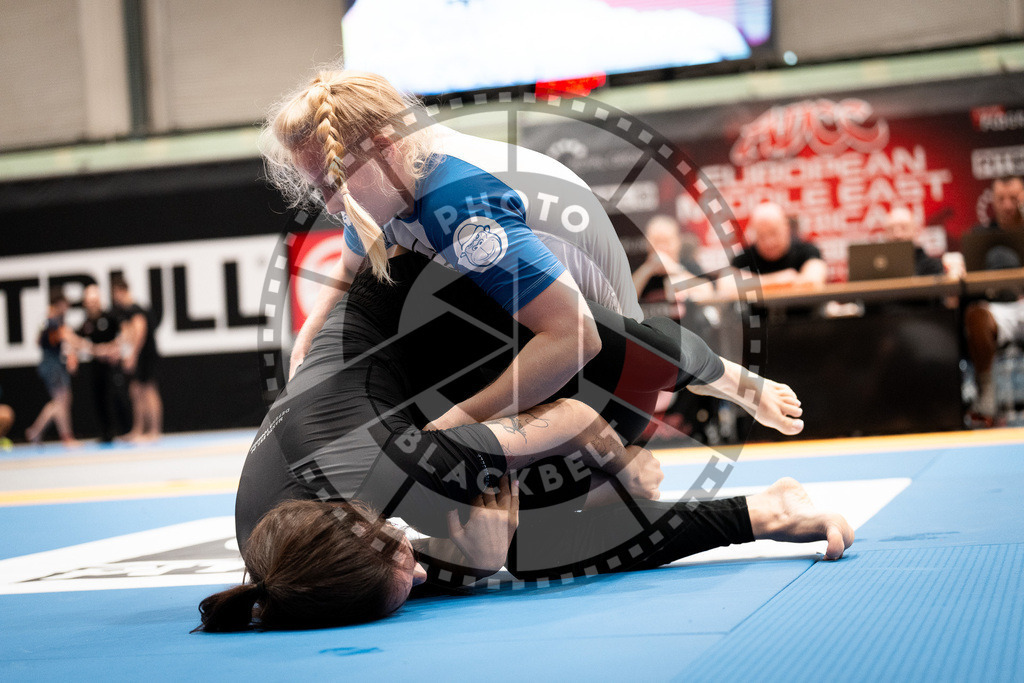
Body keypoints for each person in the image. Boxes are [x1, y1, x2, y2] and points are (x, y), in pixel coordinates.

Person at [194, 252, 834, 632]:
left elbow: (573, 420)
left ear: (368, 528)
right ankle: (764, 511)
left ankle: (727, 376)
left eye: (404, 560)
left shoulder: (397, 465)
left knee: (600, 349)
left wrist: (617, 470)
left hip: (423, 289)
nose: (418, 569)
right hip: (393, 387)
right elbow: (380, 571)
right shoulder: (284, 560)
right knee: (530, 553)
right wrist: (468, 562)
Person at [270, 70, 645, 435]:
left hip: (615, 383)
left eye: (336, 185)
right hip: (565, 343)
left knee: (429, 447)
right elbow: (345, 273)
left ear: (385, 147)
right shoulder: (390, 171)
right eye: (321, 190)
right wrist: (303, 351)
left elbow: (576, 340)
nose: (333, 206)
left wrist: (450, 428)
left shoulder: (457, 204)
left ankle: (619, 473)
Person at [964, 176, 1024, 423]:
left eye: (1014, 198)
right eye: (1001, 199)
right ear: (993, 201)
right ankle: (986, 390)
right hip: (999, 310)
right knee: (975, 315)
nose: (1008, 205)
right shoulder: (979, 236)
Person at [726, 202, 828, 290]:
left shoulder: (807, 250)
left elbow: (814, 281)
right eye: (761, 236)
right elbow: (726, 286)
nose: (769, 242)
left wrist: (752, 284)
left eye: (773, 233)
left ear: (786, 228)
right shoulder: (743, 258)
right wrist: (782, 280)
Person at [76, 284, 131, 443]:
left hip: (112, 365)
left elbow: (126, 332)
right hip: (96, 367)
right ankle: (106, 433)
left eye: (95, 301)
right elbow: (76, 341)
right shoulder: (86, 323)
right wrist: (93, 350)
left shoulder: (110, 317)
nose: (92, 304)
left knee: (118, 396)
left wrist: (114, 348)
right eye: (89, 301)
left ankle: (126, 430)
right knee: (98, 399)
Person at [111, 275, 163, 442]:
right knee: (135, 391)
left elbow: (140, 332)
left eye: (114, 294)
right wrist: (117, 350)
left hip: (145, 354)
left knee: (148, 390)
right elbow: (126, 335)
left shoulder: (135, 309)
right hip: (138, 354)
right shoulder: (126, 312)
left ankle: (154, 431)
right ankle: (138, 430)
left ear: (120, 291)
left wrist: (132, 355)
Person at [25, 290, 79, 446]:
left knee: (62, 401)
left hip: (53, 362)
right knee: (60, 402)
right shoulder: (52, 322)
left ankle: (35, 431)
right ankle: (66, 437)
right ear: (59, 304)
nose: (67, 307)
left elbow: (39, 341)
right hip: (52, 364)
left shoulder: (49, 321)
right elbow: (68, 339)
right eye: (65, 304)